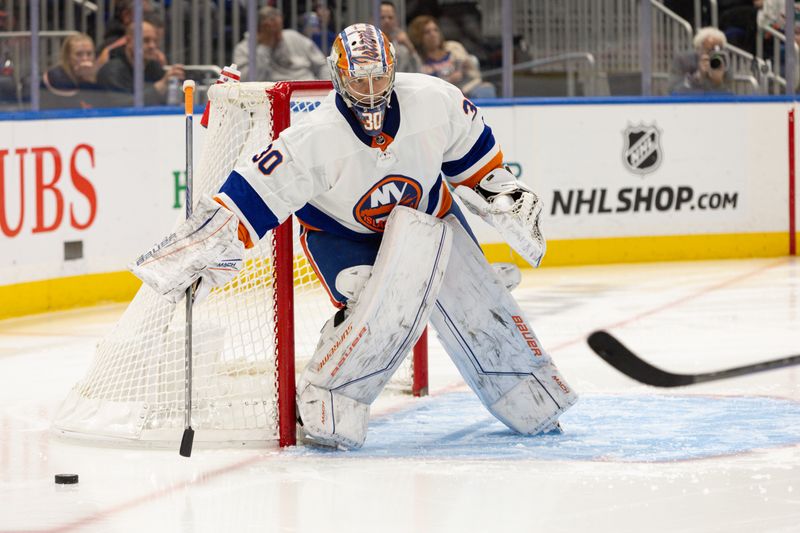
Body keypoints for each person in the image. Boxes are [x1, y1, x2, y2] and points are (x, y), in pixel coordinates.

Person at [130, 23, 576, 450]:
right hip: (343, 235)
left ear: (394, 69)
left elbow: (476, 166)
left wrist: (506, 197)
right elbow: (249, 201)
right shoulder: (312, 138)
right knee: (376, 306)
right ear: (338, 75)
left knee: (478, 301)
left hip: (431, 218)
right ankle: (325, 402)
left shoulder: (435, 100)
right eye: (358, 80)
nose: (370, 90)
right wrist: (204, 248)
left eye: (379, 77)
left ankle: (532, 400)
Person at [96, 20, 185, 105]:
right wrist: (159, 87)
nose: (152, 46)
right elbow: (122, 106)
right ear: (129, 41)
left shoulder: (152, 66)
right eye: (146, 40)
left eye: (155, 41)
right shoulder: (111, 71)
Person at [408, 15, 496, 98]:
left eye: (436, 30)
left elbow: (474, 75)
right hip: (437, 96)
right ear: (418, 37)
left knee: (486, 89)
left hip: (465, 92)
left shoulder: (454, 48)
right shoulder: (417, 59)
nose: (433, 34)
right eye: (427, 32)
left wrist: (464, 70)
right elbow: (420, 87)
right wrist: (449, 80)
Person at [232, 6, 327, 81]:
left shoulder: (293, 36)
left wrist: (329, 88)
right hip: (272, 96)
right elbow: (246, 81)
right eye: (269, 29)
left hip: (307, 87)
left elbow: (322, 65)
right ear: (259, 29)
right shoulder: (243, 49)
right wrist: (265, 46)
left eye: (278, 28)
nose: (276, 34)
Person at [669, 27, 734, 95]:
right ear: (698, 48)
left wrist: (718, 82)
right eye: (709, 50)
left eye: (719, 49)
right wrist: (697, 77)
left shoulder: (723, 61)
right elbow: (673, 91)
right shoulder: (683, 60)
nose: (714, 54)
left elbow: (728, 94)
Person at [41, 33, 100, 108]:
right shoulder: (56, 76)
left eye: (89, 54)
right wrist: (86, 80)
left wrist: (92, 79)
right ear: (68, 57)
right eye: (79, 54)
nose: (85, 59)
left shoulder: (98, 75)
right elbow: (73, 107)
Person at [380, 1, 421, 73]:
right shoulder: (367, 45)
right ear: (373, 19)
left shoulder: (403, 45)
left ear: (396, 20)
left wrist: (409, 46)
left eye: (390, 17)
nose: (386, 21)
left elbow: (419, 70)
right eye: (382, 17)